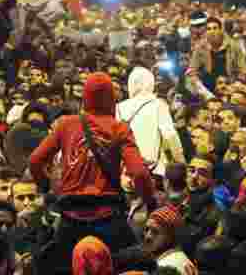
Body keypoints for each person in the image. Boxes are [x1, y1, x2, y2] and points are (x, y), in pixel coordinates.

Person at [29, 72, 155, 275]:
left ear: (84, 98)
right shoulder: (119, 128)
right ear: (112, 98)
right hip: (109, 219)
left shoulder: (66, 124)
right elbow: (139, 173)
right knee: (135, 265)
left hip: (70, 219)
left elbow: (35, 160)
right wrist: (150, 202)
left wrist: (46, 187)